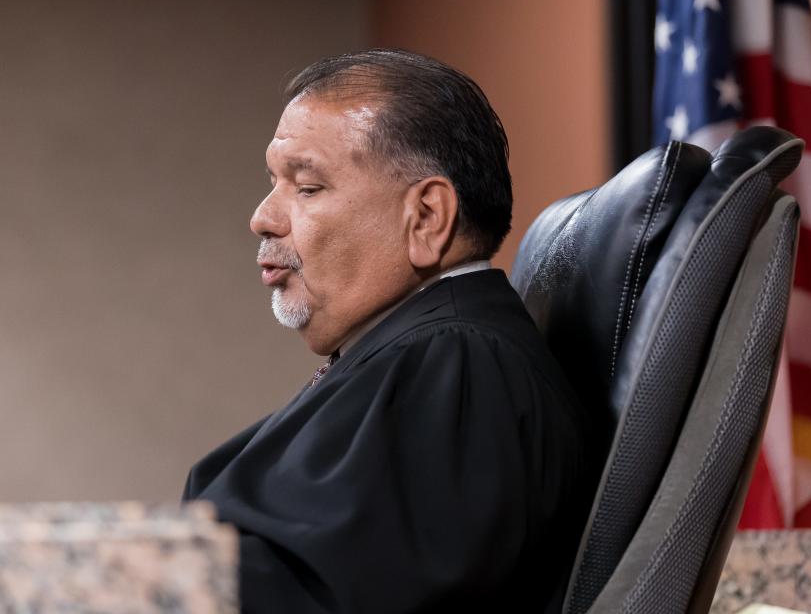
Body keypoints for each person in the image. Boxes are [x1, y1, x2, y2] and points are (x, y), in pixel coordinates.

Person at [182, 49, 589, 613]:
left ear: (425, 217)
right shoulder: (420, 351)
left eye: (307, 187)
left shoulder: (459, 365)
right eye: (274, 182)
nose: (263, 217)